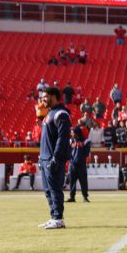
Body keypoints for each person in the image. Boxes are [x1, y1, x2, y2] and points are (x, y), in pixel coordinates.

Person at [37, 87, 72, 229]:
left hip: (53, 158)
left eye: (45, 97)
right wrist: (41, 158)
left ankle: (58, 218)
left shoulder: (61, 113)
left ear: (54, 96)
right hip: (45, 158)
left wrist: (56, 158)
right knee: (47, 189)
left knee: (55, 188)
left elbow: (62, 139)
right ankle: (53, 217)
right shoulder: (48, 114)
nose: (42, 100)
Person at [67, 124, 91, 203]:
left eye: (72, 132)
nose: (71, 133)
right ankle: (72, 197)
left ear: (76, 132)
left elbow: (86, 153)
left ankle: (85, 197)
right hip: (72, 165)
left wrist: (79, 159)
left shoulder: (86, 141)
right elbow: (68, 152)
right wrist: (71, 160)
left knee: (83, 181)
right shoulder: (70, 141)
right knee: (72, 182)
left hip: (81, 165)